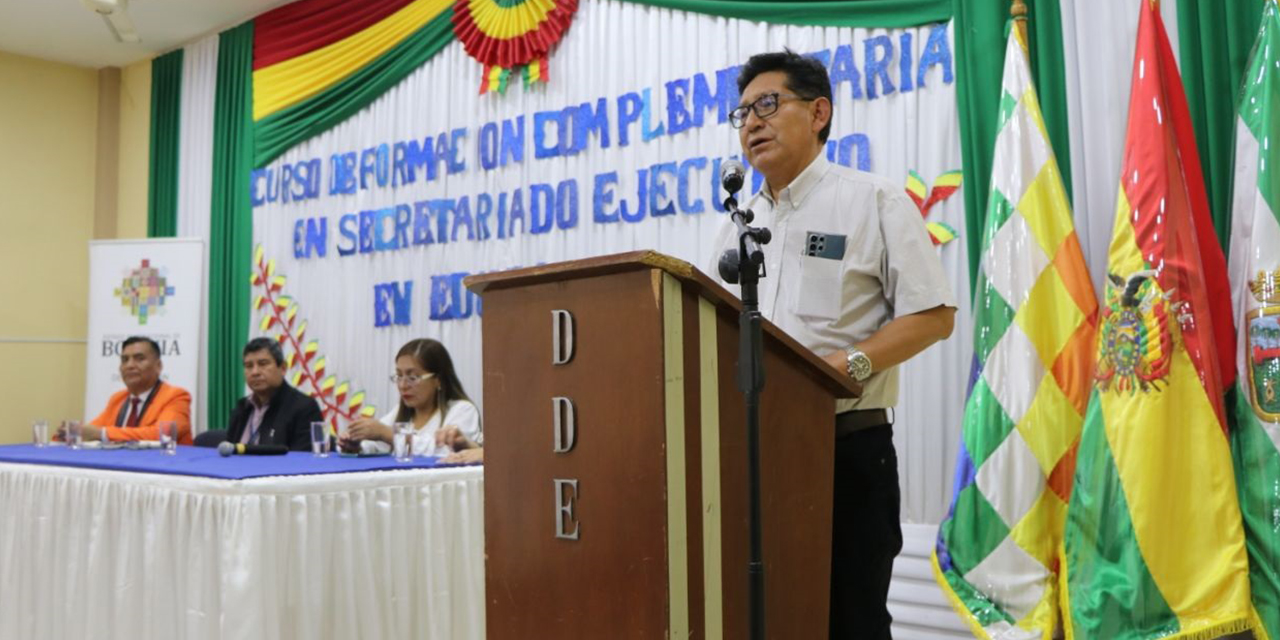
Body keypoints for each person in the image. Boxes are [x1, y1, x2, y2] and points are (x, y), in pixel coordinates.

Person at [710, 50, 956, 638]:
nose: (752, 123)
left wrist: (845, 366)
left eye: (768, 105)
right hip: (753, 455)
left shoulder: (872, 200)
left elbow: (935, 315)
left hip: (846, 448)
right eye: (742, 112)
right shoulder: (736, 226)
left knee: (850, 621)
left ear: (819, 112)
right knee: (768, 616)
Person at [339, 338, 480, 457]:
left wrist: (387, 434)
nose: (403, 385)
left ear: (439, 380)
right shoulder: (400, 412)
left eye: (412, 377)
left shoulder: (462, 410)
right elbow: (377, 445)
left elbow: (446, 452)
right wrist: (355, 445)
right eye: (399, 376)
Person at [69, 335, 192, 444]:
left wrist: (103, 434)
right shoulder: (118, 398)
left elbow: (162, 434)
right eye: (125, 360)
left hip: (165, 465)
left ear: (158, 366)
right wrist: (73, 432)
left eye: (139, 359)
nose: (130, 365)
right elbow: (93, 430)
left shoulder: (176, 396)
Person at [225, 337, 322, 451]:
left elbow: (303, 461)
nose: (255, 372)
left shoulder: (305, 408)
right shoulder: (242, 408)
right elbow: (227, 452)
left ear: (283, 368)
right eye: (249, 366)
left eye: (263, 364)